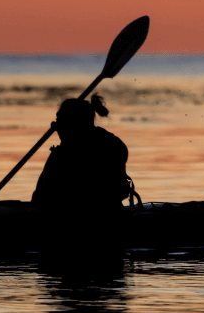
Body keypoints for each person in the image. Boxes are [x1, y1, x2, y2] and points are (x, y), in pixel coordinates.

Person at [32, 95, 131, 259]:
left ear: (74, 123)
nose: (54, 126)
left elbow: (45, 198)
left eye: (59, 122)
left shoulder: (70, 154)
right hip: (100, 220)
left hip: (91, 226)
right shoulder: (69, 150)